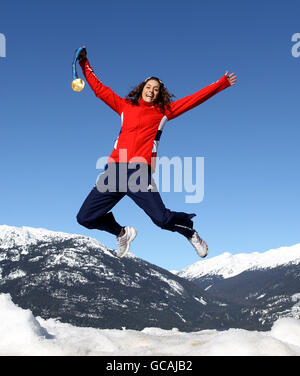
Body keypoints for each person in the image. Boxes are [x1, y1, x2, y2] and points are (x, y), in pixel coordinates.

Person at [76, 47, 237, 258]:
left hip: (138, 173)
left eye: (156, 89)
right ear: (142, 88)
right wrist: (84, 63)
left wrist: (221, 84)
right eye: (149, 87)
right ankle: (121, 233)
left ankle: (189, 230)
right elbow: (100, 89)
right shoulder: (125, 106)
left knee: (161, 219)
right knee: (85, 217)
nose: (151, 91)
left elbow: (193, 99)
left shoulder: (163, 112)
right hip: (114, 171)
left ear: (160, 94)